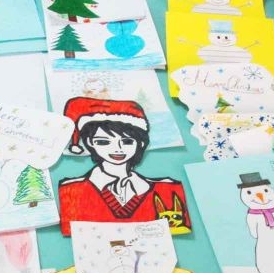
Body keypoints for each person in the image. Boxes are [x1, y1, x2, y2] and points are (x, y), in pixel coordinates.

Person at [58, 98, 191, 236]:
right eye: (103, 142)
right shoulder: (71, 191)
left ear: (140, 143)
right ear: (90, 143)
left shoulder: (167, 190)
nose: (117, 149)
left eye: (127, 141)